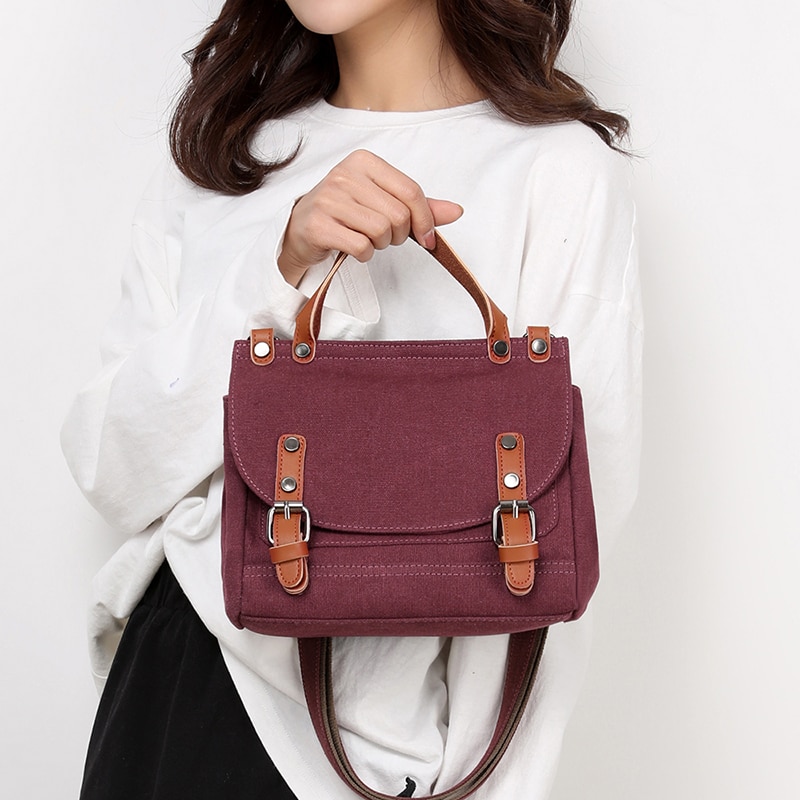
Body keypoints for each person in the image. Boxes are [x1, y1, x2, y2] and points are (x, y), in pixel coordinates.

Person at [62, 1, 642, 798]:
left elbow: (567, 539)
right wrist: (281, 267)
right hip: (182, 679)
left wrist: (484, 782)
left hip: (399, 757)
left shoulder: (558, 171)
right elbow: (110, 468)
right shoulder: (226, 160)